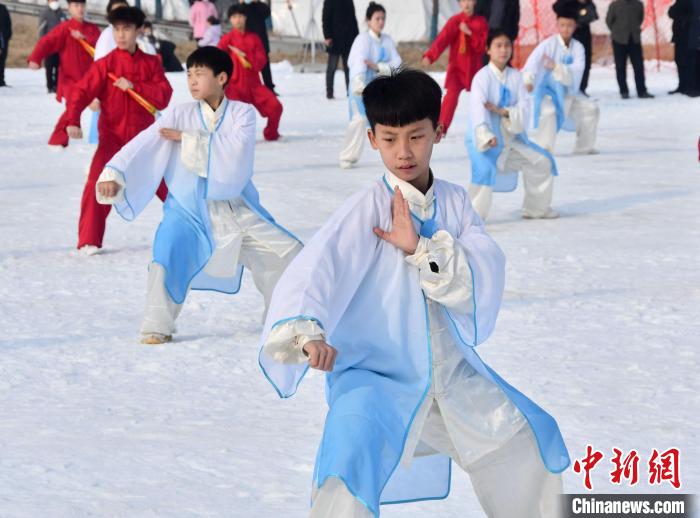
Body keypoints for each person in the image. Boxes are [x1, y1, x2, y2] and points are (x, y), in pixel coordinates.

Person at [259, 67, 569, 518]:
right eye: (389, 139)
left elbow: (486, 269)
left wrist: (421, 249)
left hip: (452, 375)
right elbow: (315, 271)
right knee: (346, 464)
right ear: (371, 139)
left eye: (416, 136)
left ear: (439, 132)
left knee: (525, 447)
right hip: (375, 376)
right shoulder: (366, 209)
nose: (403, 152)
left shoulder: (456, 203)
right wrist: (308, 334)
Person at [95, 47, 302, 344]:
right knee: (166, 253)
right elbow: (145, 143)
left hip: (236, 209)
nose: (192, 80)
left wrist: (188, 139)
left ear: (221, 78)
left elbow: (236, 154)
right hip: (187, 209)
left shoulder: (242, 113)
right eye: (189, 74)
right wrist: (115, 174)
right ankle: (157, 324)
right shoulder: (179, 113)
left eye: (200, 74)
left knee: (288, 254)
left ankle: (285, 320)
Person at [62, 6, 172, 255]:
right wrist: (73, 119)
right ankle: (89, 240)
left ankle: (197, 229)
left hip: (145, 143)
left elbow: (164, 96)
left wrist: (136, 85)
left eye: (127, 29)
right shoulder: (106, 64)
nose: (121, 35)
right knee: (97, 183)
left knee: (170, 188)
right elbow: (81, 91)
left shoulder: (151, 63)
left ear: (139, 31)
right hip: (112, 141)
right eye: (117, 29)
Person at [467, 29, 558, 220]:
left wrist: (502, 111)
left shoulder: (516, 77)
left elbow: (525, 108)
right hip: (486, 141)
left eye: (507, 45)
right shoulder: (482, 78)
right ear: (488, 49)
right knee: (484, 171)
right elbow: (478, 109)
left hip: (510, 139)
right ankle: (472, 219)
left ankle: (537, 209)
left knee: (542, 162)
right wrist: (486, 135)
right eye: (498, 46)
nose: (503, 50)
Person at [522, 0, 600, 155]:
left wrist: (556, 67)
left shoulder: (578, 47)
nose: (566, 29)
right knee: (549, 112)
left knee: (591, 109)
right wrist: (529, 80)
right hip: (547, 94)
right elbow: (531, 64)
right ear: (557, 25)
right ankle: (544, 148)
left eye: (569, 25)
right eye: (562, 25)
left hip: (568, 94)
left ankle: (584, 147)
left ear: (575, 26)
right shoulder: (547, 45)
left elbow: (578, 70)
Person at [27, 0, 100, 147]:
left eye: (82, 5)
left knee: (75, 108)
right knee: (74, 106)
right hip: (69, 79)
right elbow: (46, 42)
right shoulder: (65, 28)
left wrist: (85, 38)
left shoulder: (92, 29)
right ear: (69, 8)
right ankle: (60, 139)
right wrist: (35, 58)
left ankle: (61, 138)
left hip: (89, 80)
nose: (80, 9)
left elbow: (102, 47)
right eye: (76, 6)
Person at [339, 2, 401, 169]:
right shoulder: (362, 40)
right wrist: (359, 81)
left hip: (380, 89)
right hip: (361, 89)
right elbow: (357, 62)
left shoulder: (387, 40)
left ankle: (395, 155)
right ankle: (347, 156)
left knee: (388, 121)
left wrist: (378, 67)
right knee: (359, 120)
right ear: (368, 20)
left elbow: (397, 64)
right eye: (377, 18)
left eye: (383, 18)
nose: (381, 22)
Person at [421, 0, 488, 135]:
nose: (467, 4)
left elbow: (482, 47)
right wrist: (430, 56)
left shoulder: (481, 22)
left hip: (474, 69)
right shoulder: (455, 21)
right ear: (460, 3)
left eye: (470, 0)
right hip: (457, 69)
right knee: (450, 97)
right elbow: (442, 39)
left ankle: (485, 128)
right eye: (463, 1)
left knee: (481, 99)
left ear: (475, 2)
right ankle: (441, 128)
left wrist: (469, 33)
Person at [218, 4, 283, 141]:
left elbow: (262, 60)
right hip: (234, 87)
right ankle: (235, 139)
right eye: (234, 17)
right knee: (236, 116)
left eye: (241, 16)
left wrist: (246, 57)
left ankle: (271, 134)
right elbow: (217, 59)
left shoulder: (254, 38)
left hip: (254, 85)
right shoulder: (227, 39)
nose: (238, 20)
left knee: (275, 107)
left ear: (245, 18)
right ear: (230, 20)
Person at [605, 0, 654, 98]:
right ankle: (624, 91)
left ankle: (642, 91)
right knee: (620, 66)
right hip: (619, 40)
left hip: (634, 39)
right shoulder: (614, 5)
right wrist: (617, 32)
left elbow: (640, 18)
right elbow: (609, 21)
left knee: (638, 66)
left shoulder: (638, 4)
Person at [322, 0, 359, 99]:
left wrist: (357, 36)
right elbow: (325, 18)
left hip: (348, 38)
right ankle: (329, 92)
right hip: (334, 39)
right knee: (332, 67)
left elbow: (353, 18)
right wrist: (327, 36)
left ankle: (349, 90)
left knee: (348, 67)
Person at [243, 0, 276, 93]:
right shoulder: (241, 7)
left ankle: (269, 87)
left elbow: (267, 12)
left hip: (261, 39)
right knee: (246, 65)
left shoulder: (259, 6)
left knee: (265, 64)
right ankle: (248, 88)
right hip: (246, 41)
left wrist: (257, 2)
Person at [38, 0, 68, 93]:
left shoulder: (62, 13)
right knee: (49, 67)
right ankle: (50, 86)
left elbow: (67, 27)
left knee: (59, 67)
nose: (54, 2)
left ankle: (57, 86)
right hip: (49, 45)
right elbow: (41, 30)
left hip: (60, 46)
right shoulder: (45, 13)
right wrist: (43, 44)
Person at [572, 0, 598, 95]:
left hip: (584, 35)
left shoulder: (588, 4)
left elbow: (593, 15)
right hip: (570, 36)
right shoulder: (567, 3)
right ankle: (571, 87)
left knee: (586, 61)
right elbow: (557, 7)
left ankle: (582, 88)